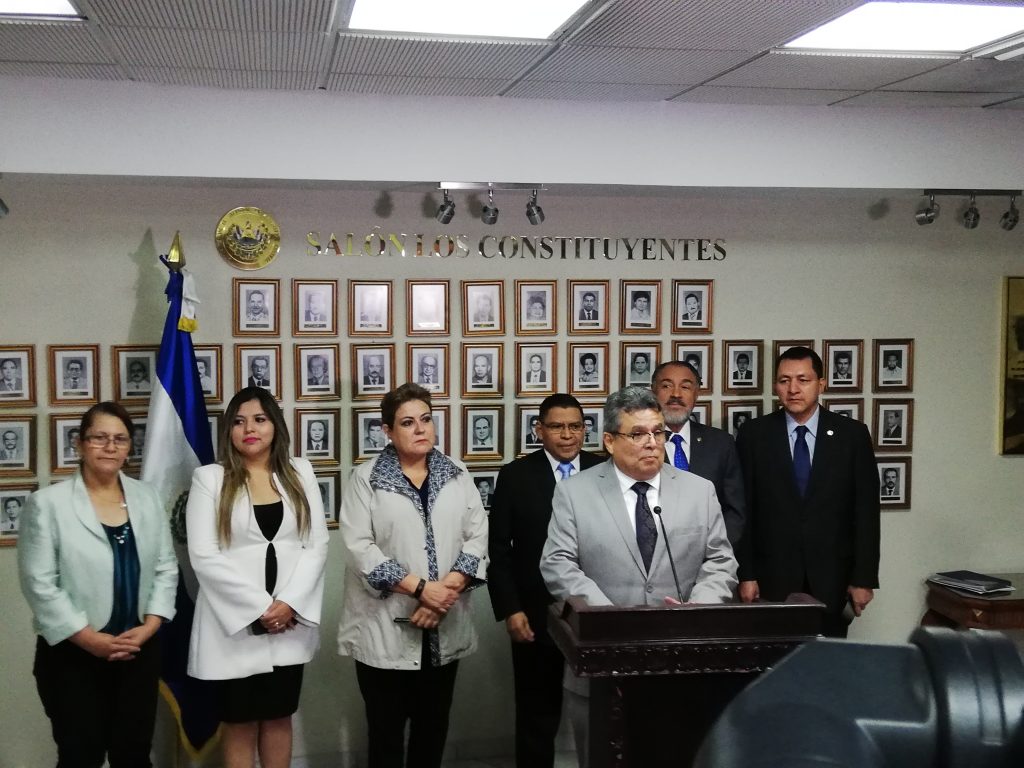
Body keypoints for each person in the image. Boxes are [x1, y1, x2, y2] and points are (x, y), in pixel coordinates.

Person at [540, 386, 737, 768]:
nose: (651, 442)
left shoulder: (699, 491)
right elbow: (558, 564)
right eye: (638, 434)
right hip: (602, 666)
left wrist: (698, 608)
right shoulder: (575, 492)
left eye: (657, 432)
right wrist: (611, 618)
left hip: (681, 663)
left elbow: (720, 561)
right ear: (610, 441)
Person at [17, 401, 178, 767]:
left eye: (120, 439)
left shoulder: (147, 497)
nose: (110, 447)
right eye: (99, 438)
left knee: (134, 755)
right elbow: (40, 584)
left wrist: (151, 625)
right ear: (79, 444)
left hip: (138, 649)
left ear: (129, 447)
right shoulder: (48, 504)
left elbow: (166, 567)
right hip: (73, 655)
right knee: (80, 756)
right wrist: (89, 639)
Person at [337, 383, 488, 768]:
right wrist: (421, 589)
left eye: (426, 419)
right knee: (386, 735)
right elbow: (359, 547)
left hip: (443, 622)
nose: (420, 429)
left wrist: (441, 596)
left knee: (432, 730)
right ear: (387, 431)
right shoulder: (367, 478)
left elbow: (477, 537)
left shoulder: (456, 473)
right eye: (407, 422)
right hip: (383, 628)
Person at [186, 387, 329, 768]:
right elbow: (204, 554)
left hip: (288, 621)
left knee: (280, 716)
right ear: (229, 431)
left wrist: (288, 604)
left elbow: (316, 544)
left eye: (259, 419)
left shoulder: (300, 472)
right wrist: (261, 609)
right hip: (234, 624)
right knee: (240, 722)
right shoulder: (210, 479)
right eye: (238, 421)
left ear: (275, 426)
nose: (249, 429)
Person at [488, 393, 603, 768]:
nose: (567, 435)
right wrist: (511, 609)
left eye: (575, 426)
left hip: (597, 611)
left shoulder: (605, 470)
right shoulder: (516, 476)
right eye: (557, 426)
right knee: (537, 714)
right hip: (536, 614)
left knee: (603, 710)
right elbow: (498, 551)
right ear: (539, 430)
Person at [735, 346, 880, 638]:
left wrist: (864, 578)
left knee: (827, 660)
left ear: (821, 384)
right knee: (772, 659)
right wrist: (746, 574)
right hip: (771, 577)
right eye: (784, 380)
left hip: (833, 578)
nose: (793, 389)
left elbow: (866, 512)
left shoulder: (852, 435)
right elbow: (744, 510)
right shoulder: (754, 434)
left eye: (803, 380)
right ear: (775, 385)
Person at [653, 360, 747, 547]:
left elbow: (734, 510)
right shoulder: (638, 442)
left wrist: (714, 551)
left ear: (696, 394)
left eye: (685, 387)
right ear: (653, 392)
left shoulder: (721, 443)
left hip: (712, 554)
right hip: (656, 555)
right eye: (667, 386)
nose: (676, 394)